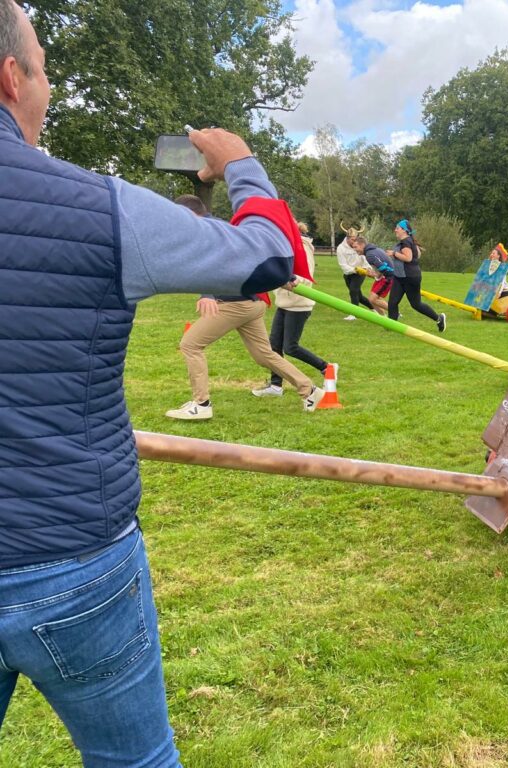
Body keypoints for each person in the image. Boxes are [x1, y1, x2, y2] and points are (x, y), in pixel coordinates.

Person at [0, 2, 304, 762]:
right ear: (12, 77)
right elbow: (271, 256)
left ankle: (286, 384)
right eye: (44, 68)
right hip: (72, 559)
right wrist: (240, 160)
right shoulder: (99, 208)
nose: (48, 88)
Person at [167, 208, 325, 419]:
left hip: (234, 304)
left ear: (189, 213)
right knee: (264, 355)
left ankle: (201, 404)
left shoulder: (209, 231)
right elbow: (249, 257)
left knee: (190, 344)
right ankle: (310, 391)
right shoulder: (224, 229)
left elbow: (212, 265)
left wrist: (207, 294)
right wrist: (282, 276)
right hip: (251, 303)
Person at [252, 222, 335, 398]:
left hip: (299, 304)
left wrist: (284, 280)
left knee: (290, 347)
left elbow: (305, 277)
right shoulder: (284, 248)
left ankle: (326, 367)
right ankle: (276, 386)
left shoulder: (303, 248)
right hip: (284, 303)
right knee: (274, 346)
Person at [386, 219, 446, 332]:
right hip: (399, 277)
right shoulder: (406, 241)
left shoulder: (406, 242)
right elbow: (417, 255)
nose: (395, 230)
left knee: (416, 304)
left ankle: (439, 318)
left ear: (404, 230)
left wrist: (394, 253)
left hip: (410, 278)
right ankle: (391, 326)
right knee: (393, 302)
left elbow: (408, 258)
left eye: (397, 228)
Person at [336, 224, 374, 319]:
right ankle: (375, 309)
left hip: (360, 273)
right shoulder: (341, 248)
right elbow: (343, 265)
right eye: (352, 240)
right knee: (359, 296)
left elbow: (364, 258)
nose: (354, 242)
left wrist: (366, 268)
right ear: (347, 238)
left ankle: (354, 314)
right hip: (349, 273)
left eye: (356, 239)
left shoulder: (358, 245)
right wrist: (354, 269)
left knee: (353, 291)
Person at [352, 235, 394, 315]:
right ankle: (383, 318)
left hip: (388, 277)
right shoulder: (375, 249)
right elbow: (381, 267)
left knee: (373, 299)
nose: (355, 250)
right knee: (373, 300)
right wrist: (374, 273)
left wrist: (373, 274)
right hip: (385, 276)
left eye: (355, 247)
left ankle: (395, 312)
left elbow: (383, 268)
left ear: (362, 245)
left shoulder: (369, 255)